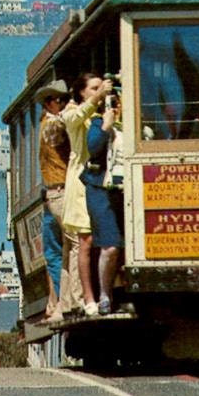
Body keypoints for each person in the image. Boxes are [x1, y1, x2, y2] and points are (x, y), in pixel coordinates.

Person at [63, 72, 114, 316]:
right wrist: (97, 99)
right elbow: (74, 117)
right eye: (93, 88)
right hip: (81, 184)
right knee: (86, 241)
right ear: (82, 92)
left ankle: (107, 293)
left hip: (103, 181)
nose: (98, 92)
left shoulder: (104, 113)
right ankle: (88, 297)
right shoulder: (74, 114)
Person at [34, 78, 76, 322]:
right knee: (58, 251)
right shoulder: (52, 124)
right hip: (56, 192)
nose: (59, 103)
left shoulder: (48, 122)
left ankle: (62, 301)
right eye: (55, 99)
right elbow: (57, 134)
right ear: (47, 103)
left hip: (57, 192)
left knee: (58, 251)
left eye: (63, 99)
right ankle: (60, 300)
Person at [81, 95, 125, 315]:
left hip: (127, 191)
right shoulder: (99, 123)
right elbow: (93, 147)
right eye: (115, 103)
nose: (119, 107)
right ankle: (105, 295)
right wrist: (107, 125)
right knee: (110, 246)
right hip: (102, 191)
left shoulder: (136, 125)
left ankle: (122, 293)